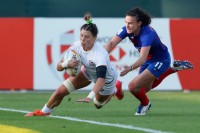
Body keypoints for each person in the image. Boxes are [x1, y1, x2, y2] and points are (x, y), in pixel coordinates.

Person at [25, 14, 124, 117]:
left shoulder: (100, 54)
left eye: (87, 37)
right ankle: (44, 112)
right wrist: (66, 63)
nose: (83, 39)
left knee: (98, 104)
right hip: (87, 72)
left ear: (94, 38)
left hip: (107, 80)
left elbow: (101, 79)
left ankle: (115, 90)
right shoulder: (76, 45)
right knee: (60, 91)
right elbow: (58, 67)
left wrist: (90, 96)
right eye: (81, 35)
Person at [102, 7, 193, 115]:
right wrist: (100, 56)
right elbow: (111, 43)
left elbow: (142, 58)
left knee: (133, 86)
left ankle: (145, 104)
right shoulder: (126, 29)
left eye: (130, 23)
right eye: (126, 22)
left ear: (139, 23)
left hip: (161, 60)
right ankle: (173, 68)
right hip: (148, 60)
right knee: (142, 89)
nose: (127, 25)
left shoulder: (147, 34)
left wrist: (130, 68)